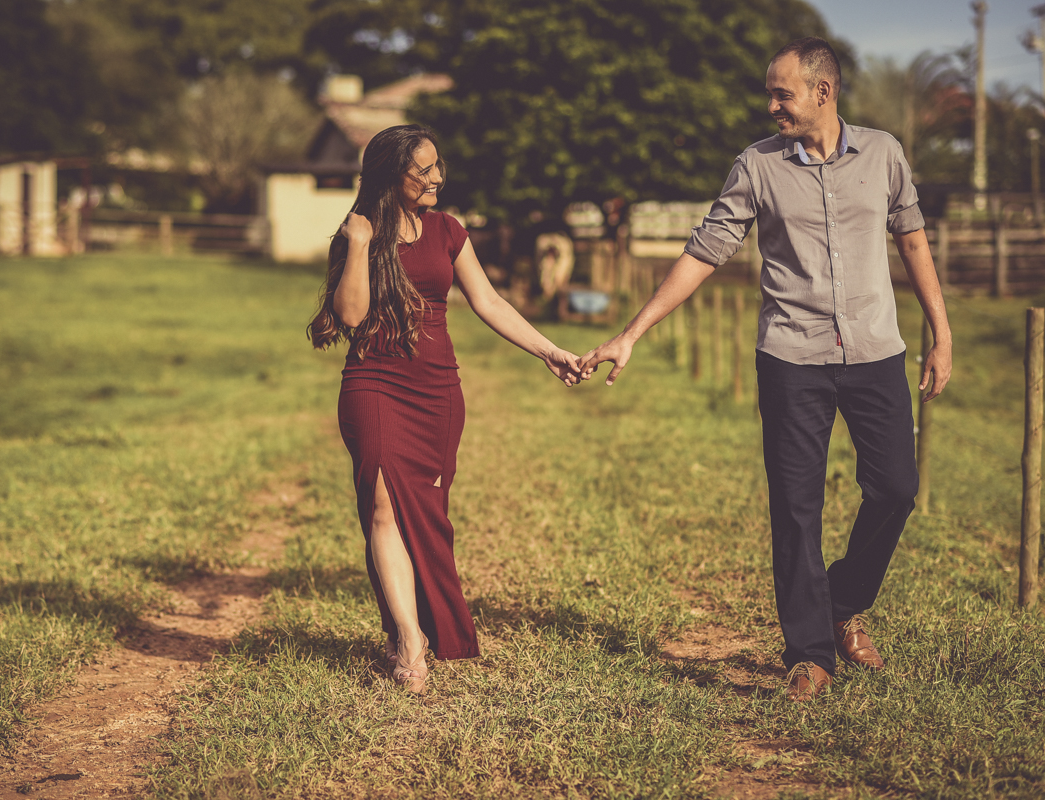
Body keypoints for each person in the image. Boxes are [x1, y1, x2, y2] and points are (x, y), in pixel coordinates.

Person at [578, 38, 952, 702]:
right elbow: (704, 252)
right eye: (770, 92)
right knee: (796, 507)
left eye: (782, 92)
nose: (770, 104)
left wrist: (941, 333)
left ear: (822, 93)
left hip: (875, 352)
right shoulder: (756, 166)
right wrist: (632, 332)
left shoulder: (885, 155)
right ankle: (809, 654)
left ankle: (843, 602)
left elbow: (914, 239)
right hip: (790, 359)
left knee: (896, 487)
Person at [309, 124, 582, 694]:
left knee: (425, 515)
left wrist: (548, 350)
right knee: (383, 505)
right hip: (374, 384)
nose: (438, 178)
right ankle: (409, 639)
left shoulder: (449, 231)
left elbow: (487, 301)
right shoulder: (357, 234)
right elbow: (353, 317)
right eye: (424, 169)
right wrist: (359, 245)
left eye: (438, 166)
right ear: (392, 176)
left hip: (437, 392)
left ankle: (413, 625)